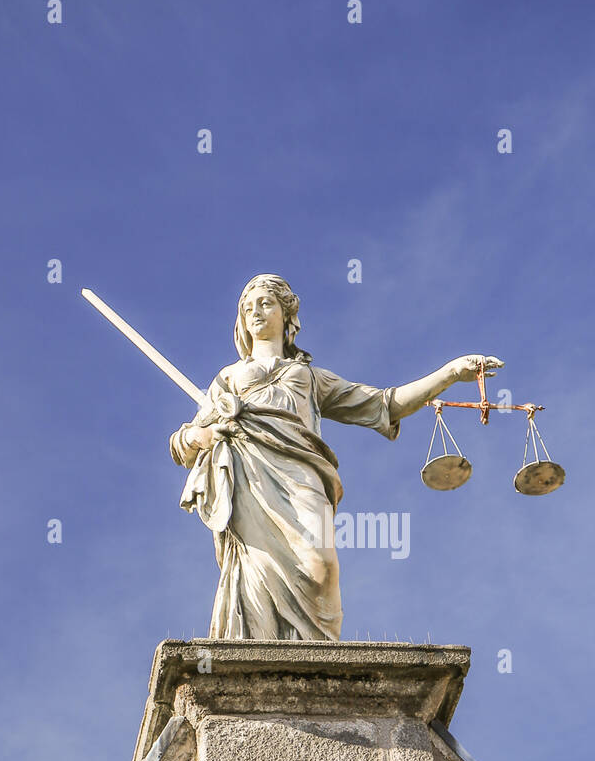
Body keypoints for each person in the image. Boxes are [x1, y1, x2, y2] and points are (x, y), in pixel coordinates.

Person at [170, 274, 502, 640]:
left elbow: (384, 404)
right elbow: (183, 441)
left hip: (301, 474)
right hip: (249, 474)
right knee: (256, 566)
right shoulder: (229, 378)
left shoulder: (309, 377)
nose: (256, 313)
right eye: (247, 308)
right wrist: (200, 435)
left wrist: (450, 373)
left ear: (287, 313)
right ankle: (259, 651)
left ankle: (318, 658)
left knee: (320, 567)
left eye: (265, 303)